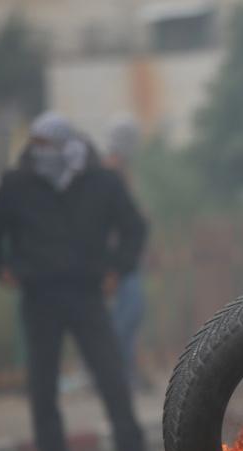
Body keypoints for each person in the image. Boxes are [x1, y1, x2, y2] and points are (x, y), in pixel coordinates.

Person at [0, 111, 168, 451]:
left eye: (45, 144)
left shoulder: (101, 182)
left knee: (114, 383)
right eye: (34, 144)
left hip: (87, 295)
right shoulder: (17, 184)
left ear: (66, 145)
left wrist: (118, 269)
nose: (37, 151)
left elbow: (134, 227)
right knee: (43, 391)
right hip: (39, 297)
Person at [104, 116, 148, 390]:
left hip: (125, 257)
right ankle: (114, 372)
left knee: (129, 314)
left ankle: (124, 371)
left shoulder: (123, 172)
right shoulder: (111, 173)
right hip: (116, 259)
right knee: (128, 312)